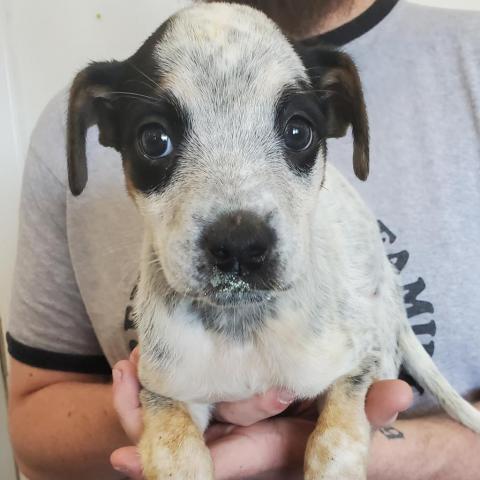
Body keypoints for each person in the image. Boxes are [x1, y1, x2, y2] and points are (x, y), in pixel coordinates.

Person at [5, 0, 479, 479]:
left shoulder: (470, 57)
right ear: (103, 123)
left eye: (295, 132)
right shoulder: (56, 133)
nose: (238, 240)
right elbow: (30, 435)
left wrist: (329, 450)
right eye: (156, 140)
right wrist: (168, 416)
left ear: (341, 119)